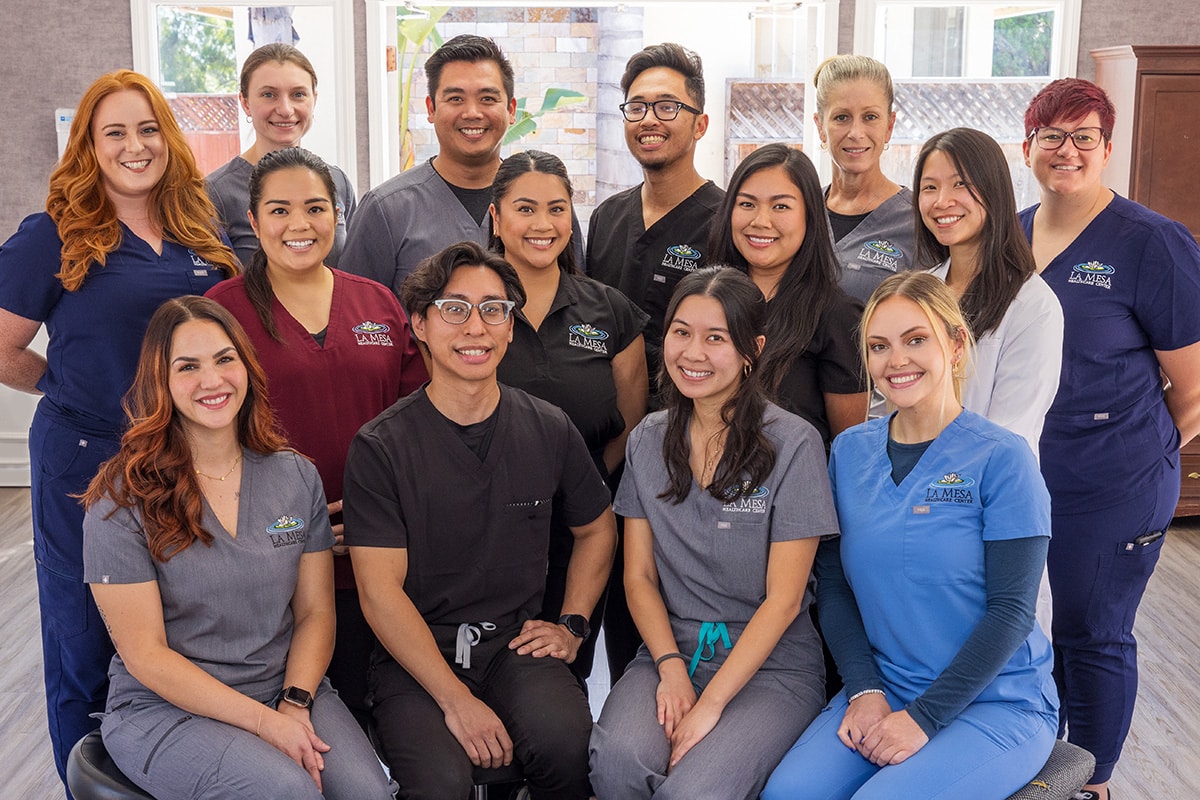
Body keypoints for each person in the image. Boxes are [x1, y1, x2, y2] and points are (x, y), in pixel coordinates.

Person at [0, 69, 238, 791]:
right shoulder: (55, 235)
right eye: (115, 133)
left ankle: (168, 770)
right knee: (84, 632)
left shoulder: (201, 231)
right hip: (87, 456)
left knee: (175, 627)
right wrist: (65, 386)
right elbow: (4, 346)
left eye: (147, 129)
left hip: (185, 457)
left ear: (168, 139)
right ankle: (88, 783)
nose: (135, 146)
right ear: (90, 146)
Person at [80, 296, 392, 800]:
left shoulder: (295, 475)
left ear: (247, 366)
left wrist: (293, 702)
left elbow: (315, 613)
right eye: (188, 367)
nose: (212, 380)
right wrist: (265, 726)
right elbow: (146, 655)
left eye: (225, 359)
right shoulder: (121, 498)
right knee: (288, 791)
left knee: (367, 794)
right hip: (168, 707)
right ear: (162, 382)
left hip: (284, 687)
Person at [762, 272, 1059, 800]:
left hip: (996, 700)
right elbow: (833, 588)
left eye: (916, 339)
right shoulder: (848, 454)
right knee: (787, 794)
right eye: (879, 347)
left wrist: (924, 716)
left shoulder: (1002, 459)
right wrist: (866, 688)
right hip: (886, 687)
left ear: (957, 344)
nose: (896, 360)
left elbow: (1013, 611)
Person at [344, 241, 617, 800]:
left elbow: (596, 529)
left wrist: (572, 624)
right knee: (441, 784)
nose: (476, 326)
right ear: (419, 324)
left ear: (510, 328)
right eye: (455, 308)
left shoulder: (547, 428)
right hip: (415, 658)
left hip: (514, 648)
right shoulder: (381, 447)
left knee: (570, 749)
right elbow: (379, 594)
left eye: (494, 309)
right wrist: (455, 701)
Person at [589, 266, 835, 800]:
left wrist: (711, 706)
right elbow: (638, 578)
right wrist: (671, 669)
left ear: (753, 349)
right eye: (681, 332)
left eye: (715, 337)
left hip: (771, 667)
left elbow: (785, 600)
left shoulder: (794, 444)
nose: (692, 353)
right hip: (670, 651)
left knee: (693, 791)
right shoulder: (647, 440)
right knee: (618, 766)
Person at [1019, 78, 1200, 800]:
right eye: (1051, 136)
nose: (1066, 150)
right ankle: (1041, 765)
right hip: (1027, 471)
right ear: (1026, 146)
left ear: (1106, 147)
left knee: (1092, 630)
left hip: (1113, 478)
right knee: (1029, 625)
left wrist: (1139, 455)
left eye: (1082, 137)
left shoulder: (1152, 243)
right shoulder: (1010, 230)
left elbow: (1192, 388)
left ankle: (1091, 781)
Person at [206, 146, 426, 728]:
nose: (299, 225)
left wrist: (384, 510)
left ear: (338, 215)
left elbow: (416, 420)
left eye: (315, 207)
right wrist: (289, 519)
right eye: (278, 210)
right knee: (288, 707)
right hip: (270, 546)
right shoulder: (219, 314)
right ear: (252, 222)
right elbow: (202, 438)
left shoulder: (378, 302)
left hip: (373, 541)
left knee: (369, 702)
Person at [587, 41, 724, 681]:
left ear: (699, 122)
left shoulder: (724, 221)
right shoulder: (606, 218)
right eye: (637, 106)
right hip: (611, 455)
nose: (650, 119)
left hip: (692, 456)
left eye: (668, 105)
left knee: (690, 619)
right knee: (619, 614)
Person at [490, 150, 649, 683]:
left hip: (584, 527)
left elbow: (630, 419)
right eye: (525, 208)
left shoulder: (610, 310)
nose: (543, 224)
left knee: (562, 675)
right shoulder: (466, 308)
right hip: (484, 525)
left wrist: (577, 483)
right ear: (496, 216)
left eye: (557, 209)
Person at [914, 127, 1063, 457]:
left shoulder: (1032, 305)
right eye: (929, 187)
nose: (941, 201)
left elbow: (1009, 434)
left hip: (988, 494)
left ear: (993, 190)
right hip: (911, 491)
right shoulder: (919, 294)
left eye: (960, 185)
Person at [708, 143, 868, 449]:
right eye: (747, 204)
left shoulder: (838, 316)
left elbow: (848, 449)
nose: (761, 221)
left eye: (780, 206)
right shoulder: (706, 299)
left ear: (809, 216)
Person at [206, 44, 357, 268]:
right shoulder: (215, 193)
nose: (286, 109)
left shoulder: (337, 181)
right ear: (245, 103)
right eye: (269, 95)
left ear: (313, 99)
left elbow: (353, 268)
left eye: (298, 94)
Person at [812, 54, 918, 303]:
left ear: (889, 126)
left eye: (870, 117)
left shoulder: (916, 221)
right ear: (820, 126)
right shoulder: (800, 211)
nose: (855, 133)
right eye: (841, 117)